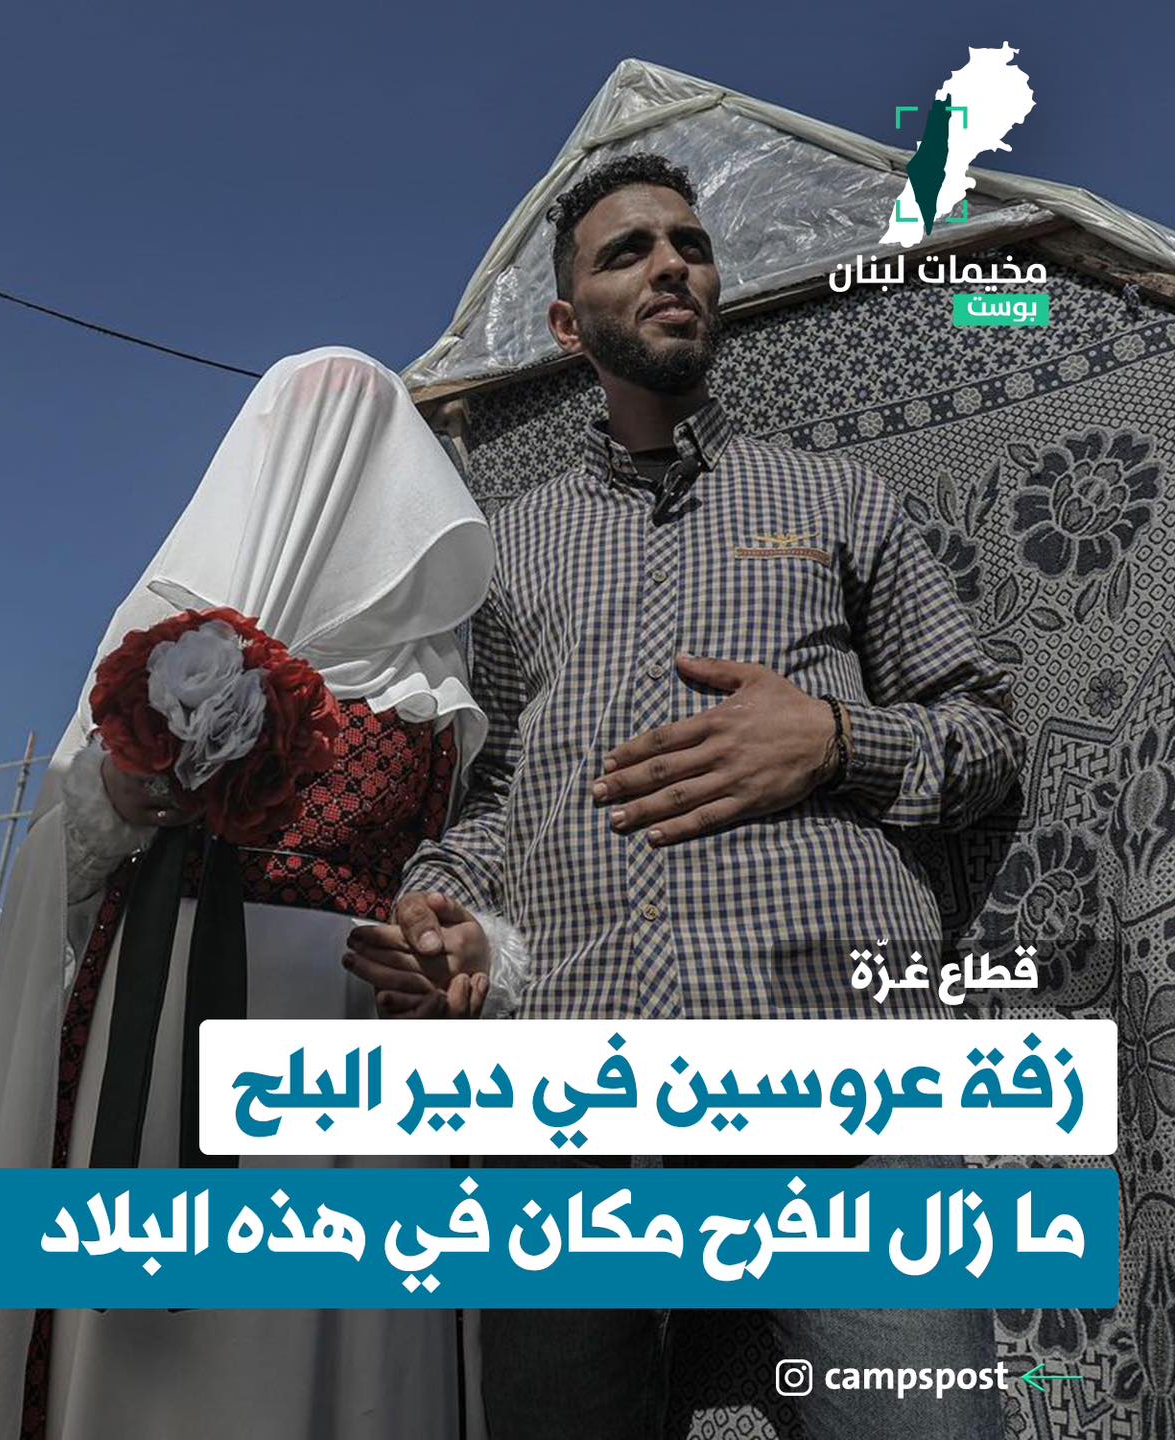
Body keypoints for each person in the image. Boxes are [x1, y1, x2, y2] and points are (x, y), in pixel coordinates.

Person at [344, 155, 1026, 1438]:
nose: (671, 265)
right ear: (568, 325)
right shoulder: (513, 552)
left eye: (690, 245)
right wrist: (443, 910)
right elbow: (497, 793)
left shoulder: (837, 500)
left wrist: (830, 738)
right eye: (629, 251)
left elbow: (985, 736)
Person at [0, 347, 495, 1440]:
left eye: (364, 433)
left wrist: (462, 948)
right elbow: (62, 857)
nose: (332, 459)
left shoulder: (435, 675)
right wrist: (126, 791)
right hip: (163, 1022)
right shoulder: (173, 632)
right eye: (308, 425)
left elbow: (463, 860)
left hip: (353, 1048)